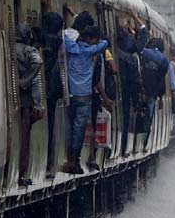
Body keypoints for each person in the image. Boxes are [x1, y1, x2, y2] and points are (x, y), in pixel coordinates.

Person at [62, 25, 109, 174]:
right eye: (95, 39)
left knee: (69, 126)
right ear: (90, 39)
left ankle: (69, 156)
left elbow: (66, 35)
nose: (96, 42)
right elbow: (105, 43)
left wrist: (77, 36)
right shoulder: (90, 51)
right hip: (84, 97)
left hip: (70, 95)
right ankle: (74, 159)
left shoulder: (71, 47)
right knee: (79, 128)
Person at [116, 14, 149, 155]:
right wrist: (137, 100)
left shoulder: (116, 52)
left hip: (117, 91)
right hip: (128, 92)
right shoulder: (133, 58)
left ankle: (122, 148)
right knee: (127, 119)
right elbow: (143, 36)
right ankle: (124, 148)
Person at [15, 23, 44, 186]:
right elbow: (38, 62)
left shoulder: (7, 47)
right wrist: (26, 80)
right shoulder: (27, 50)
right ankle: (21, 173)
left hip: (10, 99)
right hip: (25, 101)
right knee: (24, 139)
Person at [40, 11, 65, 179]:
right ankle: (50, 160)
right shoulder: (58, 41)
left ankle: (49, 159)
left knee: (49, 127)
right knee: (51, 127)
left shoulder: (43, 40)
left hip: (43, 89)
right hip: (53, 89)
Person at [140, 37, 170, 145]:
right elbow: (161, 80)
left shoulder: (143, 52)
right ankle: (145, 140)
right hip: (152, 93)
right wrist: (161, 97)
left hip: (140, 89)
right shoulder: (163, 60)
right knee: (149, 114)